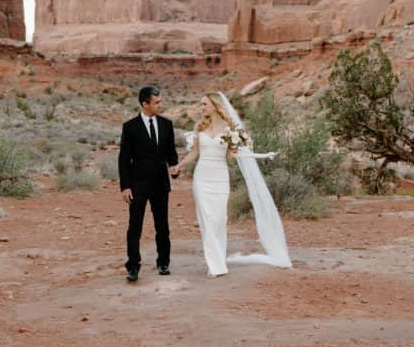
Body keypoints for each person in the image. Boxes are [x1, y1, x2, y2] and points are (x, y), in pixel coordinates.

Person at [177, 92, 292, 276]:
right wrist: (180, 165)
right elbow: (194, 152)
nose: (201, 107)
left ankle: (218, 258)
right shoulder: (200, 126)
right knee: (207, 219)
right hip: (202, 177)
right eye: (201, 104)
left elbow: (231, 158)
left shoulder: (230, 128)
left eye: (204, 104)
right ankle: (215, 266)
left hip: (220, 177)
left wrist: (235, 149)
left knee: (219, 219)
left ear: (215, 105)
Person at [118, 85, 179, 282]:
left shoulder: (167, 124)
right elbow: (124, 159)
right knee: (135, 226)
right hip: (138, 185)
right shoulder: (130, 127)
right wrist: (125, 187)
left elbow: (171, 153)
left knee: (162, 226)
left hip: (160, 184)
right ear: (145, 104)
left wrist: (174, 167)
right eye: (156, 102)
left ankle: (163, 263)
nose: (160, 105)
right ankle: (133, 266)